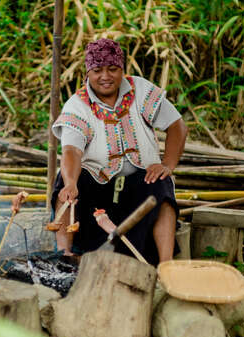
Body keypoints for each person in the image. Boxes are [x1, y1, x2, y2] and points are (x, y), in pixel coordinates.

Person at [17, 38, 188, 265]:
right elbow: (71, 151)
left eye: (113, 69)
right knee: (66, 185)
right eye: (97, 70)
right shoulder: (77, 105)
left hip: (140, 182)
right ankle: (65, 256)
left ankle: (166, 264)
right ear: (87, 72)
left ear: (122, 70)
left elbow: (177, 126)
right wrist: (71, 183)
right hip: (98, 191)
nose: (105, 76)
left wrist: (167, 164)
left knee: (161, 182)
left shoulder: (141, 90)